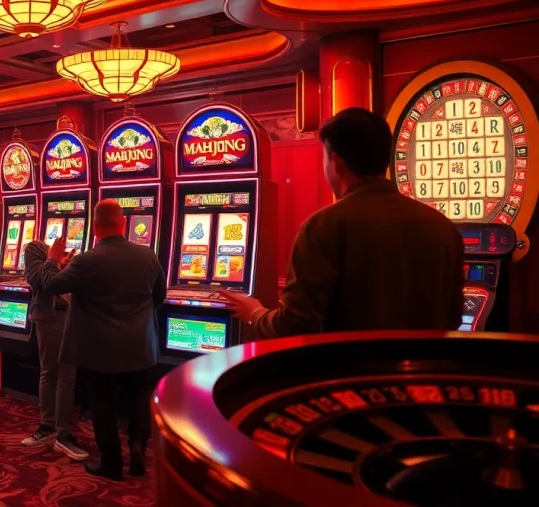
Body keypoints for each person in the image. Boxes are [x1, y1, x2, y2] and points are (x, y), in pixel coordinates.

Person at [221, 107, 464, 336]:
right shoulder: (442, 226)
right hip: (424, 375)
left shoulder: (324, 227)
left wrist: (255, 313)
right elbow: (454, 319)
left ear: (335, 162)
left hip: (350, 374)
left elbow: (296, 325)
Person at [31, 200, 166, 481]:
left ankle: (112, 462)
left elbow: (51, 284)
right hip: (140, 345)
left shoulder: (87, 260)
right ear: (124, 224)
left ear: (94, 228)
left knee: (103, 405)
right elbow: (159, 298)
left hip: (98, 349)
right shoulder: (148, 256)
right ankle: (138, 444)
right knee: (140, 398)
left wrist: (53, 259)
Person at [21, 240, 88, 462]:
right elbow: (38, 280)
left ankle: (61, 432)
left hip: (71, 316)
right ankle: (52, 429)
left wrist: (61, 264)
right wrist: (53, 259)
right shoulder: (34, 248)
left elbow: (68, 282)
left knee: (66, 376)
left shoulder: (54, 254)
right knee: (52, 372)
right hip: (49, 317)